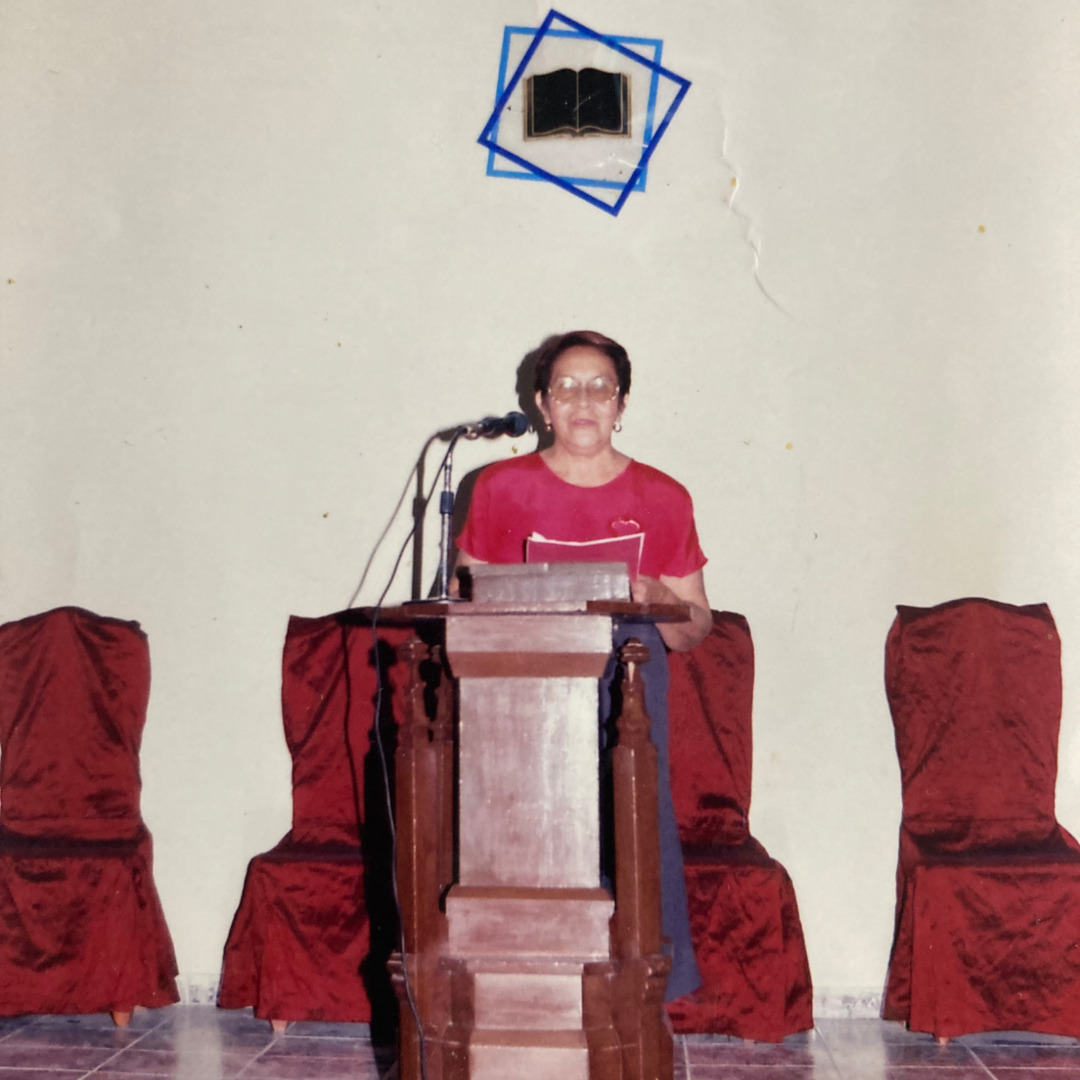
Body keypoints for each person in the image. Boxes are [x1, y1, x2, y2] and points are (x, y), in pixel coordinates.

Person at [454, 329, 711, 1001]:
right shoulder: (500, 487)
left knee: (631, 822)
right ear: (542, 404)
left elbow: (695, 629)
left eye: (600, 386)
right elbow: (464, 601)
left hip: (627, 686)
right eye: (566, 387)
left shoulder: (663, 495)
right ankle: (532, 993)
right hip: (525, 686)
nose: (584, 400)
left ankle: (643, 993)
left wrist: (657, 599)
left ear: (621, 403)